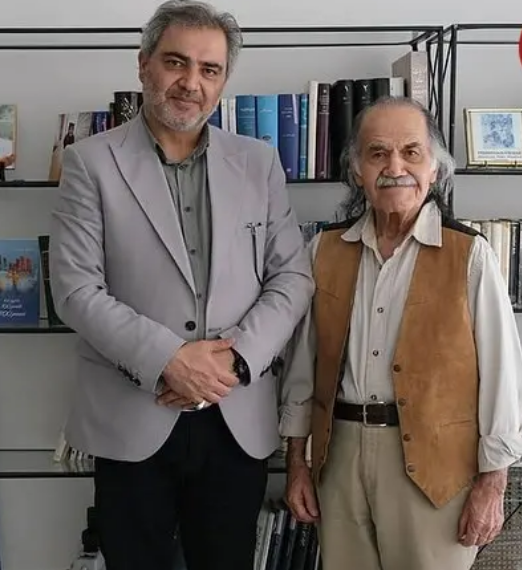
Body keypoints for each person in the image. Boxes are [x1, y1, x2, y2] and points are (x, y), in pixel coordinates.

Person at [48, 2, 314, 569]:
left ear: (223, 80)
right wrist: (169, 360)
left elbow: (292, 277)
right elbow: (75, 290)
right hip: (130, 416)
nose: (191, 82)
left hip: (234, 415)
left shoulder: (259, 163)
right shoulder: (89, 163)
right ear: (144, 65)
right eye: (176, 62)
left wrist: (232, 362)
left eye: (209, 69)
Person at [279, 96, 522, 570]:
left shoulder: (470, 255)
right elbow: (302, 367)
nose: (395, 168)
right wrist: (296, 462)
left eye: (411, 152)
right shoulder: (323, 250)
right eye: (378, 153)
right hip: (339, 459)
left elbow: (503, 378)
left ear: (435, 168)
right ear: (357, 170)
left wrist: (493, 483)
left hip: (436, 470)